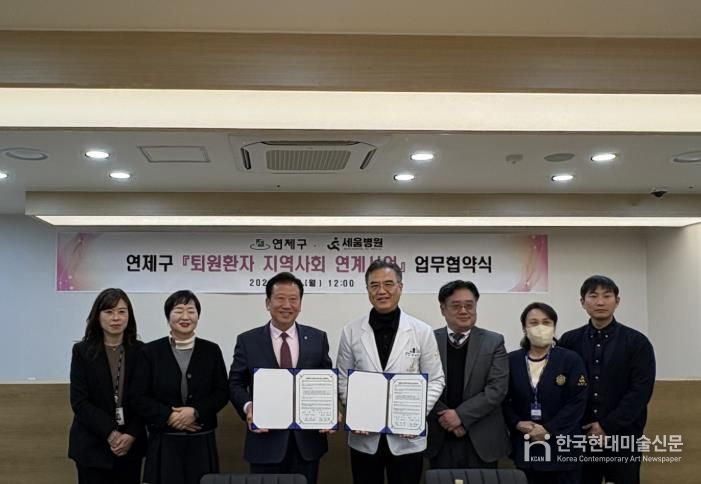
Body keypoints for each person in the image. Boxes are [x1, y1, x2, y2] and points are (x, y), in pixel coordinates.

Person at [337, 260, 445, 484]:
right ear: (367, 290)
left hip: (407, 438)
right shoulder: (351, 331)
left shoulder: (421, 331)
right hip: (364, 437)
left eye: (388, 284)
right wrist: (356, 413)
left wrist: (416, 414)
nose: (381, 291)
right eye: (374, 285)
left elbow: (436, 379)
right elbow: (343, 378)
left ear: (400, 287)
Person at [229, 272, 333, 484]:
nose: (287, 305)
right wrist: (248, 406)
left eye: (293, 299)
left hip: (306, 443)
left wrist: (330, 409)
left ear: (300, 304)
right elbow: (235, 383)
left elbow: (326, 382)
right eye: (280, 298)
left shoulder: (318, 338)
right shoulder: (248, 340)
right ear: (268, 303)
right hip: (264, 442)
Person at [559, 275, 656, 484]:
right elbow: (562, 388)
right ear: (582, 302)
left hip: (623, 436)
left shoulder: (637, 342)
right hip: (580, 435)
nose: (600, 302)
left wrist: (606, 426)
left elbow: (640, 391)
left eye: (607, 296)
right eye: (593, 296)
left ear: (617, 301)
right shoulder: (569, 341)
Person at [133, 290, 229, 484]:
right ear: (168, 316)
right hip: (164, 441)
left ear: (198, 316)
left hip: (201, 440)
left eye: (191, 311)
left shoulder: (211, 350)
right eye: (178, 311)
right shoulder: (150, 351)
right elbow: (138, 396)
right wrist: (169, 416)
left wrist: (195, 412)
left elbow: (222, 392)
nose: (185, 317)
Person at [426, 280, 510, 469]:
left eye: (469, 305)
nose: (463, 311)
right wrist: (447, 418)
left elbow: (497, 389)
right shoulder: (428, 340)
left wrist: (461, 416)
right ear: (443, 309)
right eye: (456, 306)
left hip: (482, 436)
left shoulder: (494, 341)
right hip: (440, 435)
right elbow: (422, 385)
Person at [503, 302, 588, 484]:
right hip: (526, 444)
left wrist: (549, 429)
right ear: (524, 328)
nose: (540, 327)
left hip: (563, 448)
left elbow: (578, 401)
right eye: (533, 323)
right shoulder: (511, 360)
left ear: (554, 327)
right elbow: (503, 399)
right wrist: (516, 422)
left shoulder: (570, 359)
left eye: (546, 322)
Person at [68, 288, 147, 484]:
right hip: (92, 445)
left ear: (129, 316)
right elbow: (80, 402)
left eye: (121, 311)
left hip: (130, 446)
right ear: (98, 316)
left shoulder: (141, 351)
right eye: (109, 312)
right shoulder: (82, 351)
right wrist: (110, 433)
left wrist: (131, 434)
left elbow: (146, 398)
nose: (116, 318)